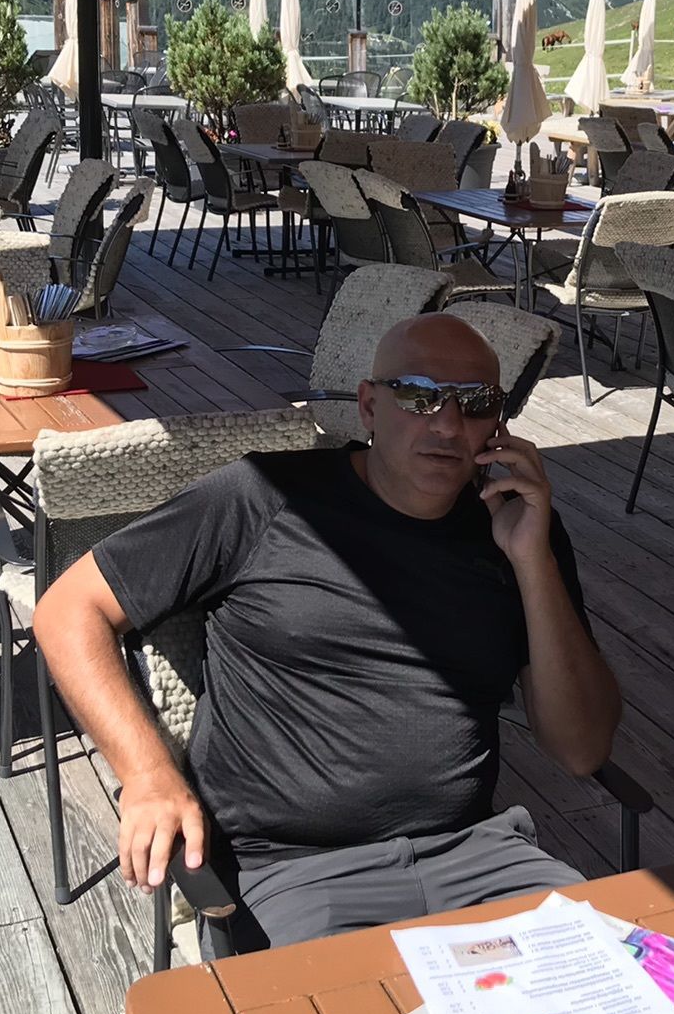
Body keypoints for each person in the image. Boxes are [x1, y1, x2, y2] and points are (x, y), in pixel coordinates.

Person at [33, 313, 622, 954]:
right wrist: (148, 774)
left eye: (475, 402)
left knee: (618, 992)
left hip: (479, 857)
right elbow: (69, 609)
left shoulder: (517, 525)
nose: (449, 425)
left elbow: (581, 750)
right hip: (293, 876)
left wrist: (532, 561)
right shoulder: (263, 499)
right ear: (369, 406)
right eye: (419, 395)